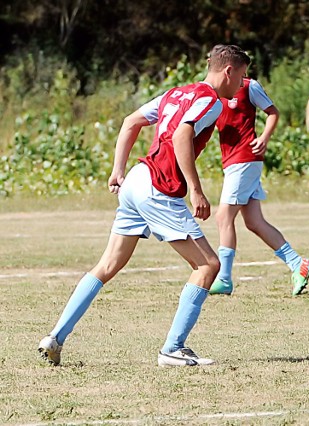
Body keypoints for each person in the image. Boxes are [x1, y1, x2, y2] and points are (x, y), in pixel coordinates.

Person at [37, 44, 251, 367]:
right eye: (243, 76)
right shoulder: (211, 101)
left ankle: (55, 336)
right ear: (228, 71)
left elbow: (130, 122)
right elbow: (182, 136)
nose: (242, 84)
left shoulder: (174, 94)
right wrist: (196, 189)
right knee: (208, 265)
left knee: (107, 265)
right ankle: (173, 348)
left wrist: (117, 170)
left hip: (136, 180)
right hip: (158, 188)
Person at [209, 77, 309, 296]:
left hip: (245, 158)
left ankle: (224, 278)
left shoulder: (249, 86)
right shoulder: (211, 89)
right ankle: (298, 264)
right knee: (254, 222)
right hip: (232, 160)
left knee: (223, 217)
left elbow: (273, 112)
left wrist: (265, 137)